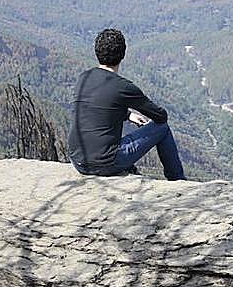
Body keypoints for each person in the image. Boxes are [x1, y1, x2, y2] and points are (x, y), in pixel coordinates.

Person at [68, 28, 186, 181]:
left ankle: (128, 167)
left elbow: (99, 106)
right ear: (123, 54)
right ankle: (177, 180)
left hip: (77, 161)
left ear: (96, 52)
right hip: (105, 164)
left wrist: (128, 115)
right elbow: (161, 116)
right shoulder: (123, 87)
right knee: (162, 128)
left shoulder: (83, 78)